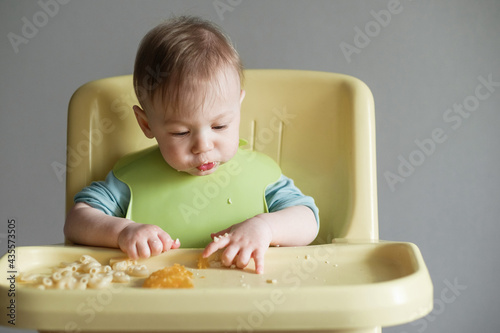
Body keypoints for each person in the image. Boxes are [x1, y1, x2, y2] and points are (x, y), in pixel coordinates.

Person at [64, 16, 319, 274]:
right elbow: (77, 220)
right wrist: (123, 231)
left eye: (220, 126)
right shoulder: (130, 181)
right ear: (147, 124)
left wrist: (265, 228)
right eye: (181, 132)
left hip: (245, 298)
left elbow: (308, 219)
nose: (203, 145)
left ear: (238, 107)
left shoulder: (259, 176)